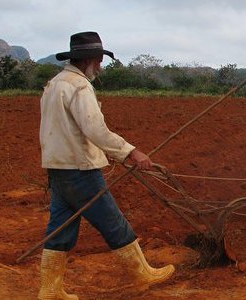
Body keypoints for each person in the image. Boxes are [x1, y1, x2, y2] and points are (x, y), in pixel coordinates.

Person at [37, 31, 173, 300]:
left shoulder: (54, 84)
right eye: (99, 60)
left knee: (61, 227)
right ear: (88, 59)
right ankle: (142, 274)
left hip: (57, 169)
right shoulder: (79, 87)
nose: (100, 66)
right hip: (80, 170)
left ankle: (50, 290)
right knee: (113, 221)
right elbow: (95, 129)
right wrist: (131, 153)